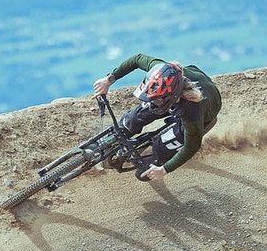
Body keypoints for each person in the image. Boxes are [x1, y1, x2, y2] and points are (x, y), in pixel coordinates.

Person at [93, 55, 222, 183]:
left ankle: (158, 153)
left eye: (158, 100)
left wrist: (164, 169)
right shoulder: (164, 71)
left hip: (205, 110)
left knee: (161, 147)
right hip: (175, 93)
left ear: (173, 96)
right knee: (133, 118)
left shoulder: (192, 111)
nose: (154, 103)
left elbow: (192, 146)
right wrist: (109, 79)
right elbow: (137, 59)